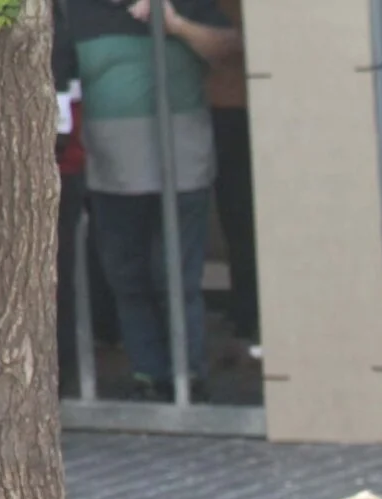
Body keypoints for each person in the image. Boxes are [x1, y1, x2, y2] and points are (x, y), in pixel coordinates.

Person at [54, 0, 241, 402]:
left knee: (175, 276)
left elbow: (230, 50)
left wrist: (176, 25)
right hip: (111, 170)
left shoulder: (184, 4)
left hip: (182, 167)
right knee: (128, 277)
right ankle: (149, 374)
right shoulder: (77, 12)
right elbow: (56, 78)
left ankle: (188, 376)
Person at [205, 0, 256, 353]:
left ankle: (251, 312)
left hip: (239, 109)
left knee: (243, 217)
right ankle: (247, 308)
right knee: (236, 217)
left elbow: (235, 42)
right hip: (218, 108)